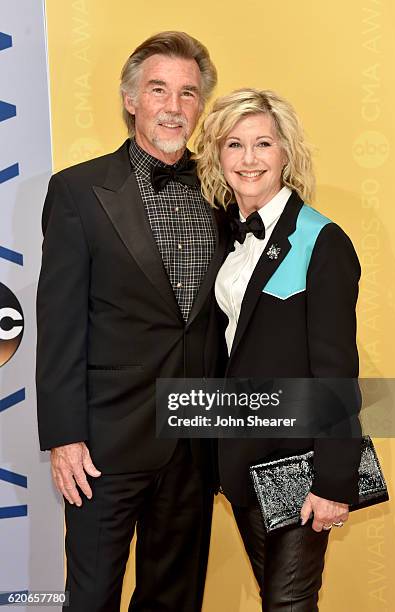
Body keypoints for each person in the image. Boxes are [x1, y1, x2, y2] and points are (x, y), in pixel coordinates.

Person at [36, 31, 226, 612]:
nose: (174, 107)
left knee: (175, 599)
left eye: (188, 93)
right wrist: (64, 437)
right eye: (159, 89)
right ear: (130, 99)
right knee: (91, 597)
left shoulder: (224, 189)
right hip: (104, 445)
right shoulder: (77, 191)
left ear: (200, 106)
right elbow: (60, 322)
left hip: (197, 439)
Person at [195, 88, 362, 611]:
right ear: (218, 155)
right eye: (234, 145)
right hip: (244, 453)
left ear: (286, 153)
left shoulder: (322, 240)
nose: (249, 160)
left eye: (263, 144)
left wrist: (335, 480)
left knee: (288, 601)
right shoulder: (226, 233)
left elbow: (337, 370)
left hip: (301, 460)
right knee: (280, 598)